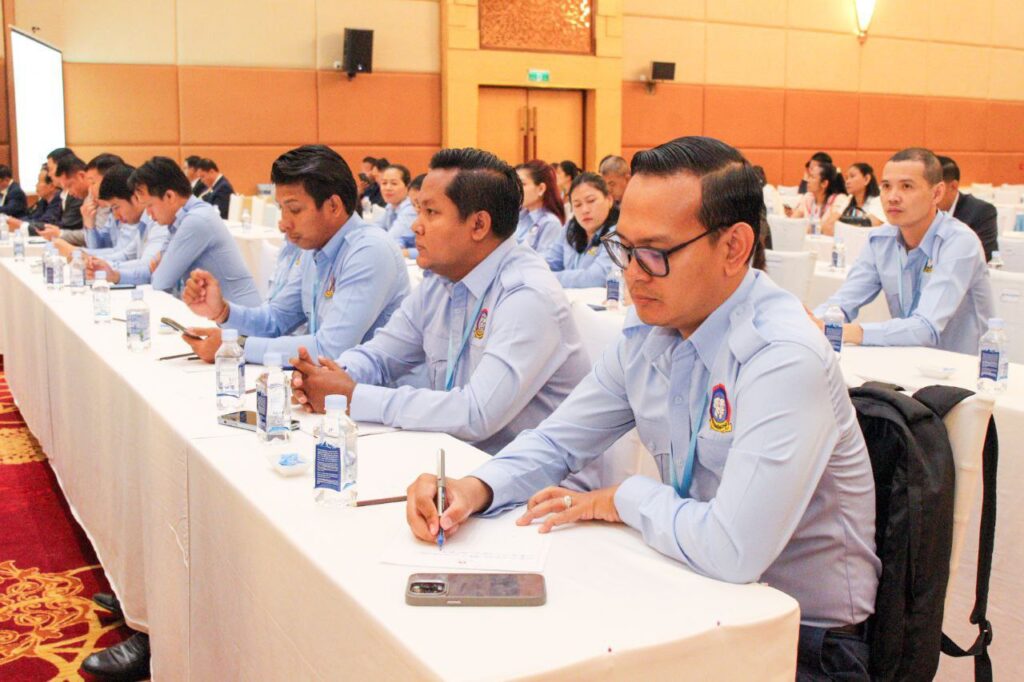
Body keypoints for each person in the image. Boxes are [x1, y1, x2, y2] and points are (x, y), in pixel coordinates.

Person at [405, 136, 880, 680]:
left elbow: (733, 550)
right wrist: (474, 488)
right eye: (624, 248)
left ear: (734, 247)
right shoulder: (651, 330)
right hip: (693, 590)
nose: (632, 273)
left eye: (655, 253)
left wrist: (621, 498)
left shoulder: (783, 357)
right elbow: (559, 441)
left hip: (803, 640)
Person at [289, 147, 590, 455]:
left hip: (525, 476)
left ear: (478, 225)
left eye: (430, 213)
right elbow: (380, 356)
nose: (415, 226)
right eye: (417, 210)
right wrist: (327, 377)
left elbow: (476, 414)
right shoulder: (441, 280)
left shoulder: (527, 296)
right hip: (455, 459)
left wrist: (352, 397)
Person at [179, 145, 410, 365]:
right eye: (281, 209)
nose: (283, 223)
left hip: (378, 388)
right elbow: (276, 320)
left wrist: (237, 346)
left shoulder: (369, 250)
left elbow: (330, 350)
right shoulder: (314, 248)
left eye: (295, 210)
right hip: (329, 384)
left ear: (333, 206)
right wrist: (222, 311)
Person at [811, 148, 994, 355]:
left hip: (963, 367)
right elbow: (843, 303)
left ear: (937, 193)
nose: (892, 197)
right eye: (886, 186)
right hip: (906, 358)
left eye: (907, 186)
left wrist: (847, 332)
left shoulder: (960, 242)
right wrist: (812, 323)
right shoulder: (880, 240)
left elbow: (926, 328)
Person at [87, 157, 260, 305]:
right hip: (213, 316)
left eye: (150, 205)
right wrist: (114, 275)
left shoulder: (196, 220)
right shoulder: (178, 221)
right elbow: (150, 272)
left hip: (236, 323)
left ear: (169, 196)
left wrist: (157, 269)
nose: (148, 214)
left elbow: (159, 282)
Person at [544, 172, 618, 288]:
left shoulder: (617, 233)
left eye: (591, 201)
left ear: (609, 200)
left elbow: (597, 278)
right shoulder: (570, 228)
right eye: (577, 205)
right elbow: (548, 263)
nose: (585, 210)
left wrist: (547, 278)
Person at [937, 155, 998, 262]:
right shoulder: (919, 211)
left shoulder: (982, 211)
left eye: (936, 189)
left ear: (953, 186)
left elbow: (984, 256)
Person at [514, 160, 565, 255]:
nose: (516, 189)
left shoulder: (550, 223)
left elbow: (544, 261)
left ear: (541, 189)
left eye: (522, 184)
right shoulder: (519, 216)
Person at [790, 161, 848, 235]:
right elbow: (792, 222)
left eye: (812, 177)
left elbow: (829, 229)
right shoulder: (808, 197)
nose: (808, 180)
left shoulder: (839, 200)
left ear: (824, 183)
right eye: (809, 176)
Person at [380, 164, 417, 249]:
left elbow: (389, 241)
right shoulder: (390, 206)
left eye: (394, 183)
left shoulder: (411, 209)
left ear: (407, 186)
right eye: (384, 183)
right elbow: (374, 228)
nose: (388, 188)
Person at [841, 163, 884, 227]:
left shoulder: (878, 201)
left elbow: (873, 224)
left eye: (852, 176)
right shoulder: (847, 200)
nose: (847, 182)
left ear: (866, 179)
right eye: (846, 178)